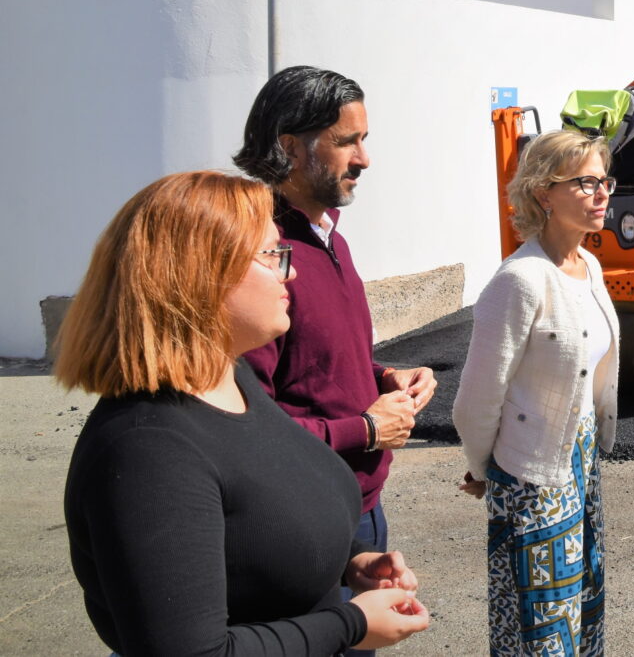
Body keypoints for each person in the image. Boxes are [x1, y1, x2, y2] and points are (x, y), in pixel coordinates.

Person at [58, 171, 430, 656]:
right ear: (200, 274)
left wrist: (350, 563)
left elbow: (253, 532)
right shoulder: (147, 446)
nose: (290, 272)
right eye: (272, 255)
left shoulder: (234, 380)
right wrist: (351, 624)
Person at [233, 65, 437, 649]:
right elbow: (252, 425)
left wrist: (382, 376)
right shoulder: (261, 258)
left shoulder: (330, 237)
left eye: (363, 139)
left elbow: (318, 364)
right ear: (289, 146)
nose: (364, 157)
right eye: (346, 141)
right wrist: (368, 428)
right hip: (295, 515)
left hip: (358, 512)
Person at [453, 130, 621, 656]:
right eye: (586, 182)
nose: (602, 194)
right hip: (532, 481)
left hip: (580, 464)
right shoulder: (520, 281)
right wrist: (485, 471)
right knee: (538, 623)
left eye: (605, 181)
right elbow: (478, 397)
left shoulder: (588, 266)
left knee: (581, 605)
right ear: (544, 193)